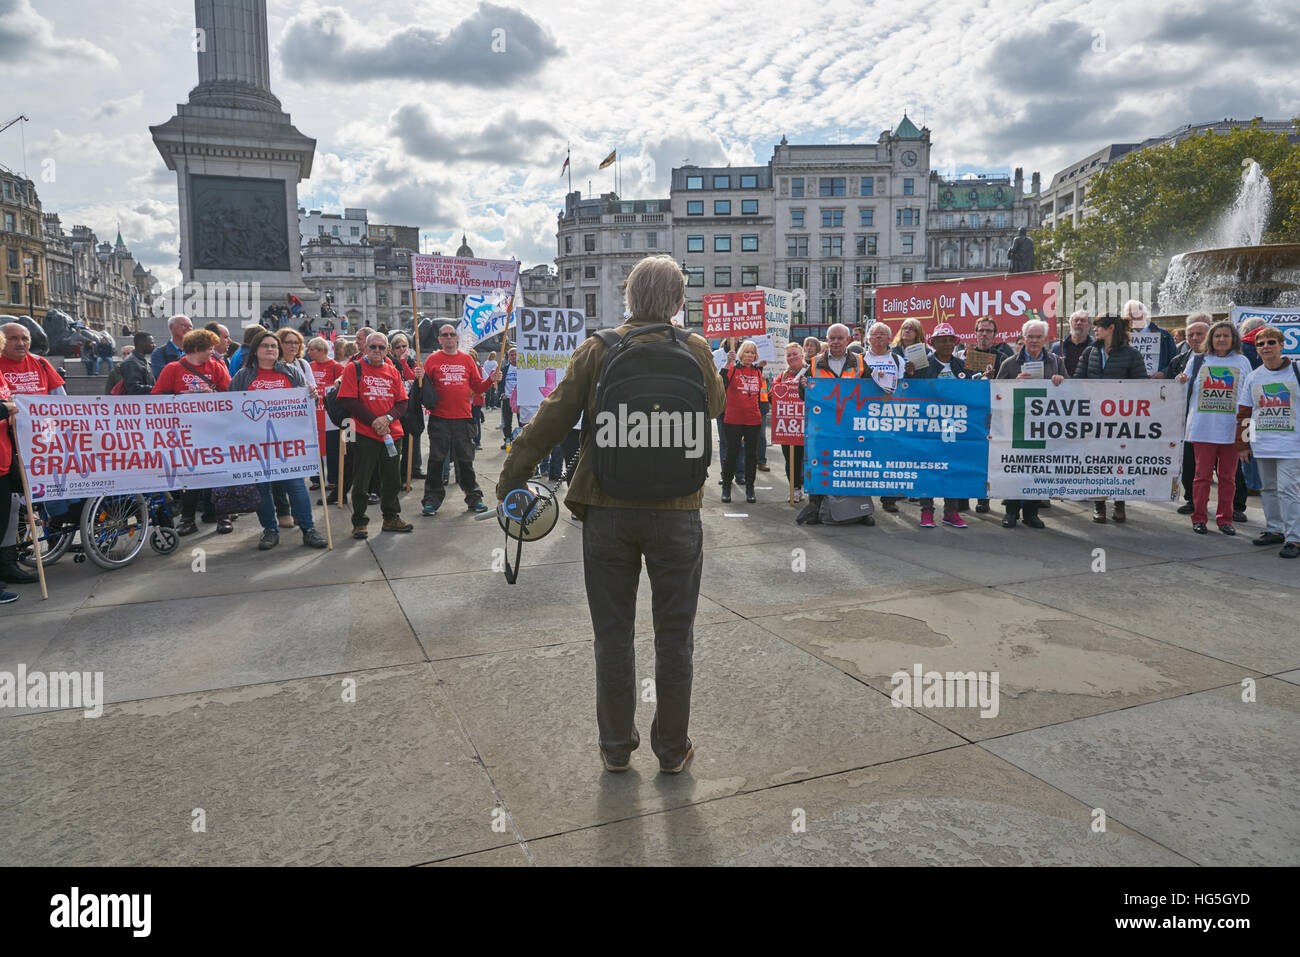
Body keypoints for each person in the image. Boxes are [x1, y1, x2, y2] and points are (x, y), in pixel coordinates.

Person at [495, 255, 726, 775]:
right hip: (677, 512)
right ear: (678, 302)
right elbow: (713, 406)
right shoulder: (695, 347)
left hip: (606, 509)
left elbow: (550, 419)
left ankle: (616, 748)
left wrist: (512, 479)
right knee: (675, 636)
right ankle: (672, 749)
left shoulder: (597, 349)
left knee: (613, 634)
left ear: (627, 297)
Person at [228, 329, 328, 550]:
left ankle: (308, 529)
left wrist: (313, 395)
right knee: (263, 490)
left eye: (274, 346)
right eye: (266, 346)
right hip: (256, 444)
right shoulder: (243, 377)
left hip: (288, 443)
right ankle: (270, 530)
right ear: (256, 350)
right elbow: (231, 408)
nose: (271, 349)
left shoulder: (292, 372)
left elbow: (307, 404)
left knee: (297, 488)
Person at [152, 328, 234, 535]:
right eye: (209, 348)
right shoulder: (173, 368)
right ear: (197, 348)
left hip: (214, 429)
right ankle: (188, 519)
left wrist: (212, 393)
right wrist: (182, 396)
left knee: (219, 473)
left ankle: (222, 516)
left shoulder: (216, 366)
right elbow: (156, 397)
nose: (212, 352)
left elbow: (230, 395)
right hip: (186, 432)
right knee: (191, 476)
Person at [0, 322, 62, 588]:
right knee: (13, 504)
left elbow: (58, 401)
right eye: (13, 338)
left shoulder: (40, 363)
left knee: (45, 493)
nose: (20, 343)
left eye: (24, 338)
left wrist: (52, 437)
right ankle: (12, 554)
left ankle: (56, 534)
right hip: (9, 443)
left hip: (39, 440)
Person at [1177, 320, 1251, 535]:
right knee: (1202, 477)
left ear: (1233, 339)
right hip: (1203, 428)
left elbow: (1249, 393)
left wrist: (1246, 429)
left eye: (1226, 336)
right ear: (1211, 338)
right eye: (1217, 335)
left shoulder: (1243, 361)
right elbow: (1182, 383)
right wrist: (1180, 378)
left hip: (1231, 429)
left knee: (1228, 478)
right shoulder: (1199, 359)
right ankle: (1199, 517)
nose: (1221, 339)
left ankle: (1225, 519)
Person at [338, 332, 414, 538]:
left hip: (391, 433)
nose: (377, 351)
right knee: (362, 480)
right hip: (364, 433)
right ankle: (359, 521)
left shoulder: (393, 370)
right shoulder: (354, 368)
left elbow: (402, 402)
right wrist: (374, 420)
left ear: (387, 350)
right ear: (364, 348)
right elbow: (348, 400)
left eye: (382, 348)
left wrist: (387, 419)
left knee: (392, 479)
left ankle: (391, 517)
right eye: (373, 347)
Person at [1075, 313, 1148, 523]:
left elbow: (1141, 386)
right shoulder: (1090, 352)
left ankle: (1119, 503)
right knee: (1096, 462)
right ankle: (1099, 504)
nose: (1094, 330)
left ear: (1111, 329)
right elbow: (1078, 381)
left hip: (1121, 420)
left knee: (1120, 462)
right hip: (1093, 418)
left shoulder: (1132, 354)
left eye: (1099, 326)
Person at [997, 319, 1068, 529]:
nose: (1034, 341)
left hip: (1044, 426)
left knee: (1038, 469)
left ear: (1046, 339)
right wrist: (1014, 384)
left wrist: (1060, 381)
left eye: (1038, 337)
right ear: (1023, 338)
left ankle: (1031, 512)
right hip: (1017, 425)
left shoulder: (1056, 362)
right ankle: (1011, 512)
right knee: (1015, 469)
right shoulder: (1009, 363)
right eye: (1030, 337)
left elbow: (1071, 393)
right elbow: (997, 393)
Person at [1236, 327, 1300, 558]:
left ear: (1282, 345)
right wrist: (1243, 444)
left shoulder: (1296, 371)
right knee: (1269, 489)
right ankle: (1274, 529)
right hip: (1263, 443)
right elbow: (1244, 412)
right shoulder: (1254, 376)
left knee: (1288, 490)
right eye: (1260, 344)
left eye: (1271, 342)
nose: (1266, 347)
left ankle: (1294, 538)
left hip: (1292, 445)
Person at [422, 325, 499, 516]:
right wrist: (419, 379)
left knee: (465, 461)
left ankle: (474, 498)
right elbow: (424, 391)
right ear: (439, 339)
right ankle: (431, 500)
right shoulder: (432, 360)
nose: (448, 338)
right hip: (439, 419)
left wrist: (491, 379)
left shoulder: (466, 359)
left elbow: (478, 387)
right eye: (444, 335)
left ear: (457, 338)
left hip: (463, 419)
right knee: (436, 461)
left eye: (451, 335)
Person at [1169, 316, 1211, 515]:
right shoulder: (1180, 361)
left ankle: (1235, 506)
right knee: (1189, 462)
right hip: (1190, 419)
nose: (1195, 338)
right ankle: (1192, 500)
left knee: (1227, 469)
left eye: (1199, 334)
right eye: (1190, 335)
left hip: (1220, 420)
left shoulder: (1226, 358)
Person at [720, 340, 764, 504]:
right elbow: (721, 381)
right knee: (732, 452)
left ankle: (750, 488)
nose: (749, 355)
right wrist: (727, 362)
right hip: (733, 418)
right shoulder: (733, 368)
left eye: (752, 353)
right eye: (746, 352)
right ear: (741, 354)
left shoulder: (758, 372)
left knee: (751, 455)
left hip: (753, 419)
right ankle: (726, 487)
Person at [307, 337, 344, 498]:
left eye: (312, 349)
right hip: (313, 413)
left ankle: (333, 479)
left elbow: (343, 381)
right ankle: (316, 478)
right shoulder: (308, 366)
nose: (309, 353)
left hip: (329, 415)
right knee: (314, 447)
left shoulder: (336, 366)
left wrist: (338, 381)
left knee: (331, 448)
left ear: (321, 350)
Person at [774, 343, 807, 502]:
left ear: (802, 355)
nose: (792, 357)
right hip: (788, 424)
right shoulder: (784, 375)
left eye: (795, 354)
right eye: (789, 355)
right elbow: (773, 394)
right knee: (790, 457)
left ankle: (812, 489)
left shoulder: (810, 371)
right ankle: (794, 489)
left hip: (807, 423)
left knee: (805, 457)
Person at [390, 333, 426, 479]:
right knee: (400, 441)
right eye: (398, 347)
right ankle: (402, 472)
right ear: (393, 350)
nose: (401, 349)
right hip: (397, 406)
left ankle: (415, 467)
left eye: (404, 346)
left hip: (413, 405)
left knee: (414, 436)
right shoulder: (390, 363)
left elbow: (412, 378)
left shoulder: (413, 362)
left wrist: (405, 362)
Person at [1123, 300, 1176, 378]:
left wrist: (1164, 373)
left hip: (1158, 384)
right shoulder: (1121, 336)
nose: (1131, 318)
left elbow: (1175, 360)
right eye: (1128, 315)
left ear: (1144, 315)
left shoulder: (1164, 335)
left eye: (1135, 314)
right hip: (1129, 383)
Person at [1051, 310, 1094, 377]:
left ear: (1089, 325)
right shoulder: (1057, 347)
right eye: (1076, 320)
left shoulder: (1095, 348)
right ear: (1071, 324)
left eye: (1082, 320)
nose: (1079, 323)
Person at [150, 314, 193, 379]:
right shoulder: (159, 353)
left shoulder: (196, 351)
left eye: (190, 326)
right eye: (184, 325)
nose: (188, 328)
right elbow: (162, 377)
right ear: (171, 327)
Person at [499, 346, 517, 449]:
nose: (514, 357)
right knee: (507, 422)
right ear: (508, 356)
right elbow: (500, 384)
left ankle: (521, 441)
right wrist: (502, 394)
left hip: (520, 399)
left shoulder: (524, 368)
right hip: (508, 398)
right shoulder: (505, 369)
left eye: (515, 355)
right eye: (511, 355)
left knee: (522, 422)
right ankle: (508, 442)